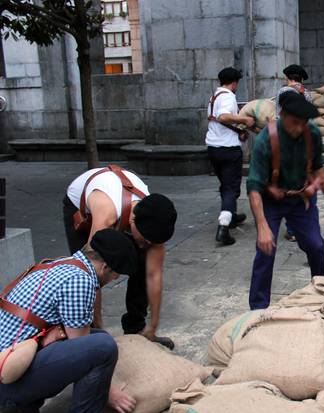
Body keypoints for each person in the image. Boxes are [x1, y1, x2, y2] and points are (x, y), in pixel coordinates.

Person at [0, 229, 139, 413]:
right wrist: (109, 392)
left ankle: (25, 404)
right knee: (103, 346)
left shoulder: (59, 264)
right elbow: (82, 345)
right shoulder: (80, 280)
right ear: (105, 267)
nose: (115, 279)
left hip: (12, 363)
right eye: (116, 274)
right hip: (7, 379)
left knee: (97, 337)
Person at [63, 167, 178, 349]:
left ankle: (136, 326)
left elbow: (153, 275)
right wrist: (100, 331)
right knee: (92, 271)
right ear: (132, 222)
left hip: (122, 208)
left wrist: (153, 325)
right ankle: (93, 330)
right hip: (81, 206)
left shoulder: (155, 220)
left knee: (141, 263)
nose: (147, 244)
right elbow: (90, 272)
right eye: (145, 240)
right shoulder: (107, 214)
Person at [246, 91, 324, 309]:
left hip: (301, 198)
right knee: (265, 249)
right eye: (295, 123)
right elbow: (253, 187)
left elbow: (318, 167)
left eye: (303, 123)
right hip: (271, 200)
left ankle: (320, 295)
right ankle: (258, 309)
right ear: (282, 115)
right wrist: (262, 227)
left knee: (316, 246)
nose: (299, 128)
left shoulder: (312, 134)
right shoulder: (266, 140)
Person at [206, 67, 254, 246]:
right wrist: (245, 121)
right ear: (234, 83)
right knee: (230, 188)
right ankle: (223, 228)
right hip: (228, 149)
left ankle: (231, 215)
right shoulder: (228, 96)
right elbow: (223, 117)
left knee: (225, 185)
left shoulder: (214, 97)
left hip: (213, 147)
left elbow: (218, 120)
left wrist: (237, 131)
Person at [277, 64, 314, 242]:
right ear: (301, 78)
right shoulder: (307, 94)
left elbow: (278, 116)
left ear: (288, 78)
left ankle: (292, 229)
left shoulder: (282, 93)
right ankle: (303, 226)